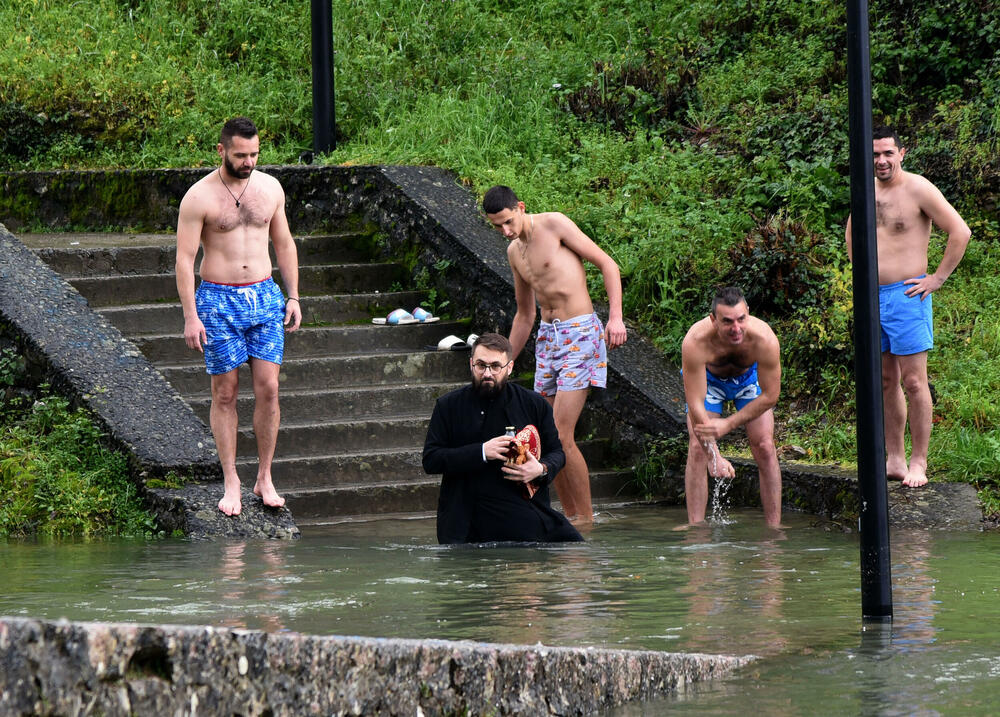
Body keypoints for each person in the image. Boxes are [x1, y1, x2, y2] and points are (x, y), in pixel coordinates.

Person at [176, 117, 301, 516]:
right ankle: (231, 479)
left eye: (254, 154)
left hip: (264, 297)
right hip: (217, 299)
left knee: (269, 388)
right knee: (225, 392)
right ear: (222, 151)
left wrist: (294, 295)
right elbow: (183, 260)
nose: (248, 161)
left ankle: (264, 476)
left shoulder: (270, 188)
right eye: (240, 155)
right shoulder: (199, 197)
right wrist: (191, 316)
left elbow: (284, 243)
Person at [482, 185, 627, 526]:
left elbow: (608, 264)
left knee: (562, 434)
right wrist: (504, 363)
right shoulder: (513, 252)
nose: (505, 231)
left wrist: (616, 317)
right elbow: (524, 315)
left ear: (520, 206)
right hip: (548, 339)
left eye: (507, 222)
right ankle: (570, 515)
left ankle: (587, 519)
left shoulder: (554, 224)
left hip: (581, 333)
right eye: (497, 227)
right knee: (546, 436)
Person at [845, 127, 971, 488]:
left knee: (914, 381)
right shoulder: (865, 190)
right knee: (886, 380)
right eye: (874, 155)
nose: (881, 161)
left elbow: (959, 231)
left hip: (908, 295)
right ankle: (896, 458)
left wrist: (936, 279)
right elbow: (853, 233)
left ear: (902, 153)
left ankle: (919, 462)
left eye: (887, 153)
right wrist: (860, 281)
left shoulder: (918, 188)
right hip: (873, 297)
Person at [422, 333, 583, 544]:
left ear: (509, 367)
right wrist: (481, 451)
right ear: (471, 364)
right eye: (481, 365)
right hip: (468, 517)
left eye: (495, 366)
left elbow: (557, 453)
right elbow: (431, 460)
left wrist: (540, 469)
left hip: (526, 508)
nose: (487, 373)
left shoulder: (534, 404)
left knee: (578, 551)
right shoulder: (448, 406)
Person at [681, 287, 782, 527]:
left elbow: (771, 396)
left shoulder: (764, 339)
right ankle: (696, 529)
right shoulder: (695, 341)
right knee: (697, 447)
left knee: (766, 447)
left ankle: (774, 528)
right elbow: (695, 401)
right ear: (713, 320)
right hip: (710, 382)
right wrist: (714, 456)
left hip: (748, 381)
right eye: (727, 322)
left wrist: (728, 423)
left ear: (748, 313)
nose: (736, 329)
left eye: (741, 319)